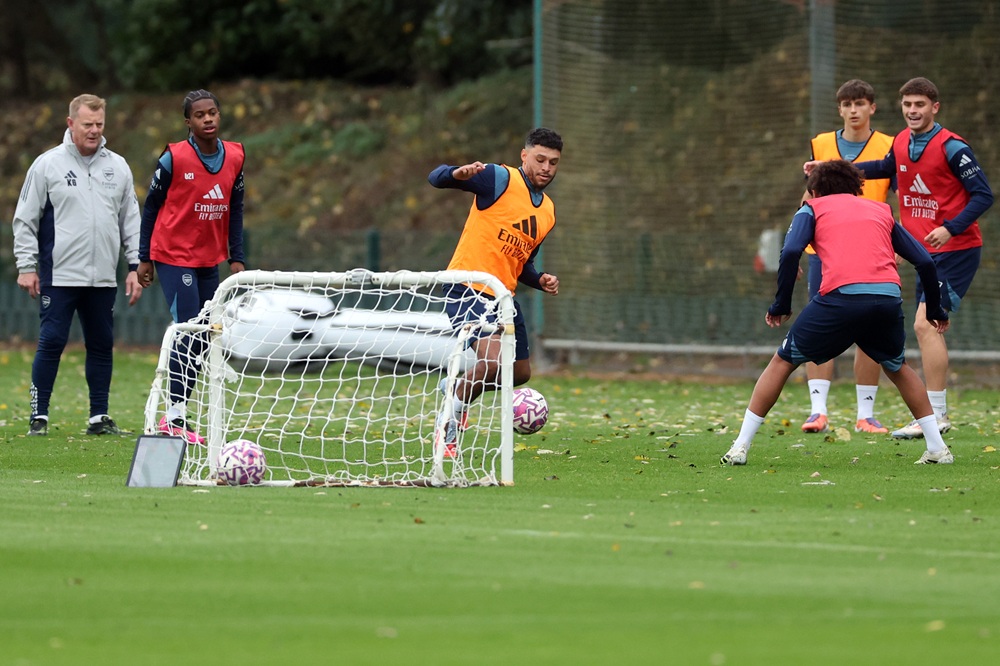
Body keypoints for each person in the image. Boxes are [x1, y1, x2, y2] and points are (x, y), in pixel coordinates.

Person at [721, 160, 952, 467]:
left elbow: (790, 252)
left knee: (783, 361)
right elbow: (924, 261)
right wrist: (935, 308)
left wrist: (781, 305)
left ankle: (740, 446)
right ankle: (937, 448)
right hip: (886, 300)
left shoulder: (812, 209)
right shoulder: (880, 209)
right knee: (897, 368)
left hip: (840, 300)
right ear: (855, 187)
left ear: (814, 191)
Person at [807, 77, 993, 439]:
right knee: (929, 326)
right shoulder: (904, 141)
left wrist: (951, 228)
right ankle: (933, 414)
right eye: (907, 105)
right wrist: (826, 171)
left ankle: (936, 414)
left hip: (956, 250)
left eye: (919, 105)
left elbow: (983, 195)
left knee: (925, 325)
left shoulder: (953, 147)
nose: (912, 111)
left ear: (934, 107)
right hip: (926, 254)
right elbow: (881, 167)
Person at [12, 93, 143, 437]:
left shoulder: (118, 166)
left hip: (102, 276)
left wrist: (135, 266)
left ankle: (99, 417)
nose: (94, 131)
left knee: (101, 343)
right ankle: (39, 416)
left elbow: (131, 219)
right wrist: (27, 266)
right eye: (88, 124)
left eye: (100, 124)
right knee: (51, 341)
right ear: (71, 124)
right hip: (60, 274)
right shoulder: (47, 165)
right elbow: (25, 219)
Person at [427, 127, 562, 454]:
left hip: (503, 296)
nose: (546, 167)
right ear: (524, 155)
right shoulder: (498, 179)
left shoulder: (547, 212)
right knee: (490, 362)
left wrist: (539, 279)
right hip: (468, 287)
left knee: (519, 373)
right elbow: (435, 177)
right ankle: (449, 421)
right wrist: (456, 174)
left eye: (553, 162)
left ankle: (456, 387)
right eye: (540, 159)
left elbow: (522, 262)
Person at [137, 89, 246, 445]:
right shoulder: (173, 159)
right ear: (189, 122)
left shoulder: (235, 156)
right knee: (190, 329)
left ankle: (179, 413)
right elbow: (151, 207)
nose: (208, 119)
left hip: (208, 259)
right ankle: (175, 415)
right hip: (172, 255)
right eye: (200, 115)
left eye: (213, 112)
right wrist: (144, 257)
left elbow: (235, 208)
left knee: (204, 335)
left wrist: (236, 256)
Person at [799, 79, 896, 436]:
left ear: (872, 107)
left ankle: (865, 414)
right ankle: (817, 410)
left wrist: (899, 245)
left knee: (869, 330)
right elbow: (808, 197)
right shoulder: (821, 144)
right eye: (847, 104)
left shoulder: (890, 146)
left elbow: (897, 200)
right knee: (819, 325)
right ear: (839, 109)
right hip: (824, 252)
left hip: (871, 251)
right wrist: (794, 249)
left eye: (860, 103)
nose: (854, 110)